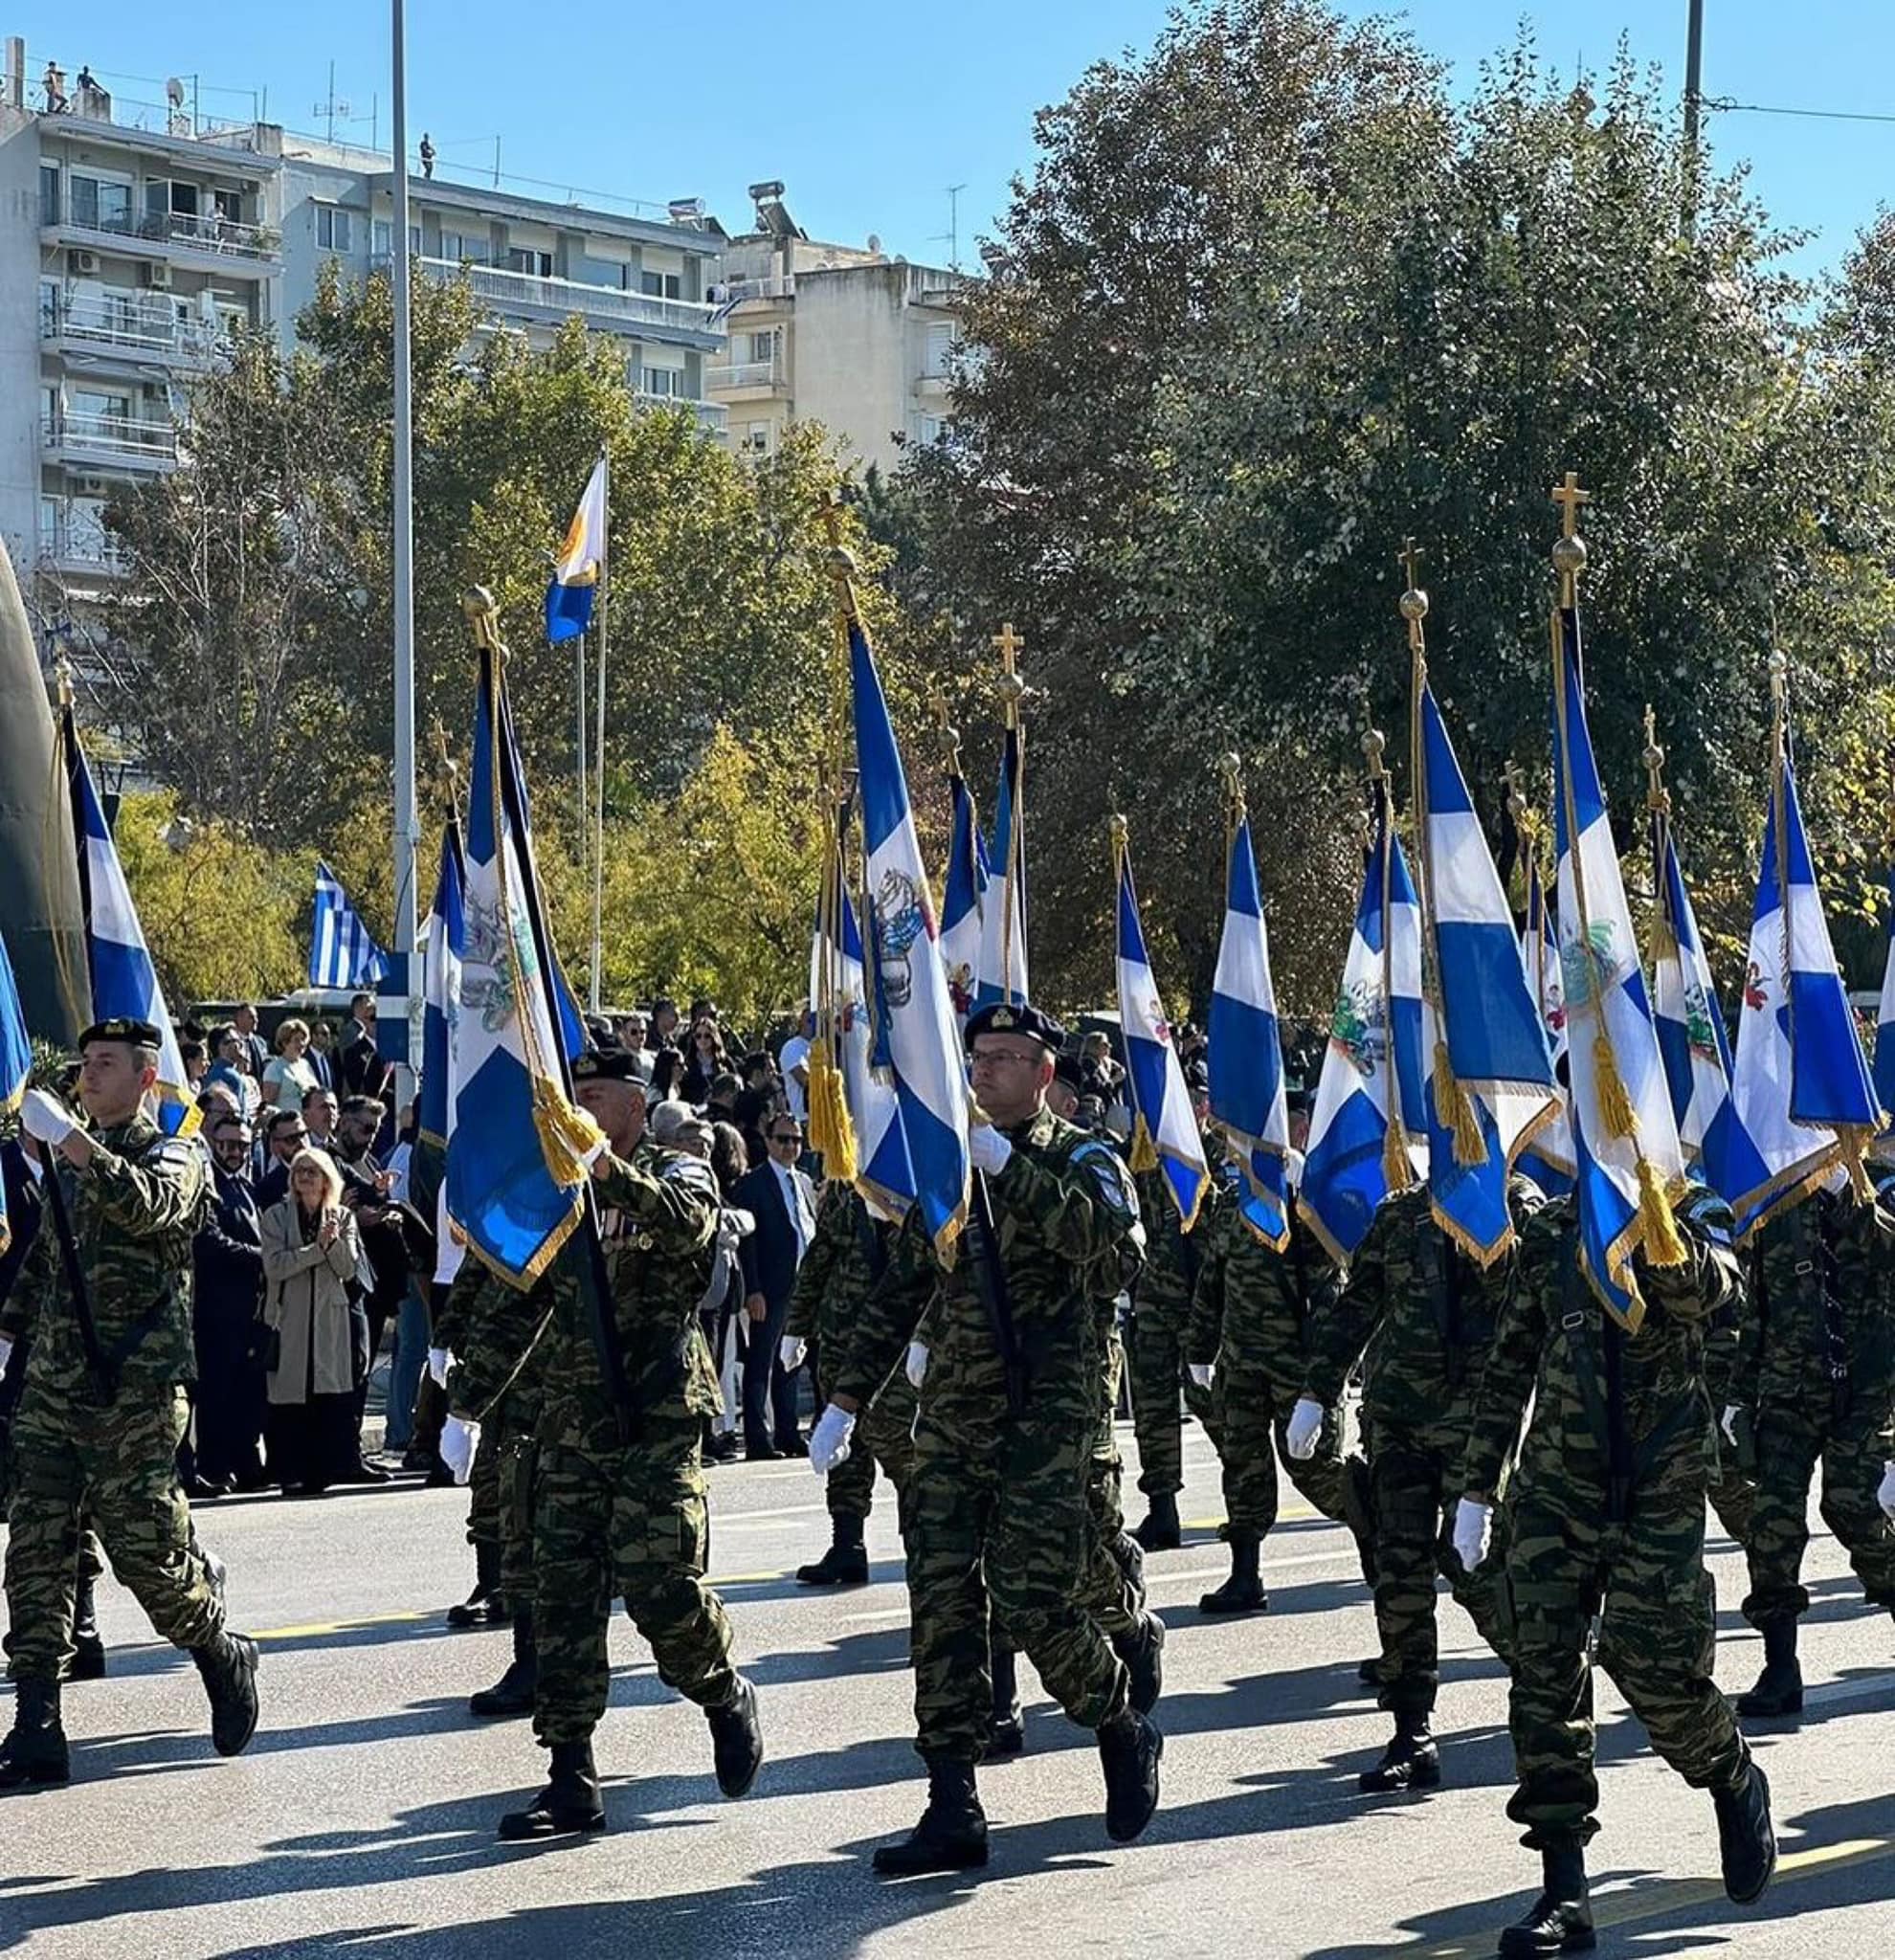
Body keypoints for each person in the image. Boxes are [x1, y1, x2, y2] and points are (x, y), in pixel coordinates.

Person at [813, 1001, 1164, 1872]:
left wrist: (1011, 1171)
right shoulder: (948, 1166)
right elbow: (902, 1287)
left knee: (1032, 1597)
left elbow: (1115, 1252)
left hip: (1049, 1418)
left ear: (1044, 1074)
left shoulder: (1082, 1158)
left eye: (1007, 1057)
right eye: (979, 1057)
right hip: (953, 1420)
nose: (987, 1071)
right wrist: (847, 1399)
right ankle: (952, 1800)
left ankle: (1118, 1719)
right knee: (940, 1607)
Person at [443, 1045, 763, 1839]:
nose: (577, 1107)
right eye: (572, 1093)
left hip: (657, 1418)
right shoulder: (553, 1191)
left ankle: (722, 1690)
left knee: (660, 1588)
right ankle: (570, 1776)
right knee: (561, 1598)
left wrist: (604, 1171)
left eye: (593, 1095)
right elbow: (517, 1302)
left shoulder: (676, 1170)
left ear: (634, 1106)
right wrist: (464, 1405)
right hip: (571, 1417)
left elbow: (688, 1225)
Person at [1456, 1189, 1776, 1950]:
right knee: (1544, 1678)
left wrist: (1655, 1226)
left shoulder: (1695, 1212)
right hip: (1555, 1487)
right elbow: (1509, 1363)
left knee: (1657, 1674)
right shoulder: (1551, 1229)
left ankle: (1729, 1771)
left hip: (1660, 1485)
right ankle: (1565, 1889)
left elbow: (1713, 1297)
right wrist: (1476, 1487)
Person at [0, 1018, 259, 1788]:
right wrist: (7, 1338)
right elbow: (47, 1260)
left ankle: (218, 1648)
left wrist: (71, 1142)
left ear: (147, 1078)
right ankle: (37, 1723)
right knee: (36, 1551)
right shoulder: (68, 1166)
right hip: (54, 1390)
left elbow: (148, 1206)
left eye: (106, 1064)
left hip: (133, 1395)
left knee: (147, 1555)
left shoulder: (177, 1154)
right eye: (85, 1063)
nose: (88, 1076)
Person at [1292, 1173, 1538, 1793]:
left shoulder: (1514, 1204)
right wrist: (1318, 1391)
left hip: (1475, 1429)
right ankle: (1411, 1731)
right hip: (1397, 1423)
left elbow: (1534, 1307)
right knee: (1397, 1574)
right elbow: (1357, 1307)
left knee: (1477, 1569)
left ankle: (1545, 1691)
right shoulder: (1399, 1215)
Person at [1186, 1089, 1375, 1614]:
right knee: (1242, 1467)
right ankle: (1245, 1575)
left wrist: (1325, 1378)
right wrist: (1199, 1349)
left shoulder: (1314, 1202)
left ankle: (1371, 1521)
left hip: (1300, 1364)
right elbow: (1212, 1282)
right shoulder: (1235, 1203)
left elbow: (1336, 1286)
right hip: (1241, 1362)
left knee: (1313, 1468)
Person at [1725, 1181, 1895, 1719]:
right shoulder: (1777, 1203)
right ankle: (1780, 1667)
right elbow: (1758, 1307)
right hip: (1788, 1391)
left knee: (1854, 1508)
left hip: (1866, 1391)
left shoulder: (1878, 1193)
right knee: (1770, 1526)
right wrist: (1738, 1394)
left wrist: (1852, 1197)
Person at [783, 1178, 913, 1584]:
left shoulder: (911, 1179)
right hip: (841, 1336)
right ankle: (847, 1545)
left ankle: (925, 1545)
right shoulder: (845, 1188)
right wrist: (796, 1327)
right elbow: (819, 1257)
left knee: (901, 1448)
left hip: (895, 1342)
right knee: (842, 1449)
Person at [258, 1147, 367, 1496]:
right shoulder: (276, 1216)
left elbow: (347, 1269)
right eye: (299, 1171)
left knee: (327, 1396)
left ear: (326, 1180)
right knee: (289, 1398)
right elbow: (275, 1265)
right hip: (288, 1317)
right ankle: (289, 1472)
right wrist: (316, 1250)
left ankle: (323, 1471)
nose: (305, 1176)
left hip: (328, 1319)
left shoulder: (343, 1218)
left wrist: (331, 1243)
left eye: (312, 1171)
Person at [191, 1111, 267, 1495]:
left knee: (247, 1393)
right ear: (213, 1143)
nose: (235, 1152)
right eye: (227, 1144)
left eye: (242, 1145)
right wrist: (262, 1257)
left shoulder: (247, 1187)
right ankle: (214, 1467)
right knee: (217, 1394)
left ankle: (245, 1464)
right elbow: (209, 1243)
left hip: (251, 1310)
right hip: (216, 1312)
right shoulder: (207, 1187)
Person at [732, 1112, 815, 1459]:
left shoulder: (805, 1182)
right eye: (782, 1139)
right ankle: (757, 1437)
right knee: (761, 1362)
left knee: (791, 1362)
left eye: (796, 1140)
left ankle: (788, 1432)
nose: (790, 1147)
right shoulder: (753, 1185)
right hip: (769, 1288)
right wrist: (753, 1289)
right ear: (767, 1141)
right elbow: (747, 1244)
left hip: (803, 1286)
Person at [255, 1108, 308, 1212]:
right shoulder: (267, 1188)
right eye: (292, 1139)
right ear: (274, 1146)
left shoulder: (326, 1171)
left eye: (303, 1135)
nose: (302, 1143)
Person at [261, 1017, 319, 1112]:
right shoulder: (275, 1068)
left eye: (303, 1039)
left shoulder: (305, 1064)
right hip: (286, 1119)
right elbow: (268, 1106)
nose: (301, 1044)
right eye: (296, 1040)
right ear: (285, 1043)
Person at [776, 1009, 813, 1129]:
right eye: (809, 1020)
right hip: (803, 1120)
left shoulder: (823, 1047)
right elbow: (804, 1080)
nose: (813, 1025)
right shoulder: (792, 1047)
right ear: (800, 1022)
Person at [680, 1017, 728, 1106]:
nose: (702, 1039)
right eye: (698, 1036)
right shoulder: (687, 1063)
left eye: (707, 1036)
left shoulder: (725, 1061)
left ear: (714, 1037)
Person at [231, 1003, 269, 1082]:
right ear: (239, 1019)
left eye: (256, 1017)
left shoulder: (260, 1042)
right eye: (251, 1017)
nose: (256, 1021)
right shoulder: (231, 1043)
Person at [301, 1084, 339, 1153]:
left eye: (333, 1107)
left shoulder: (340, 1147)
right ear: (305, 1114)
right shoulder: (299, 1146)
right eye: (324, 1106)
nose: (331, 1112)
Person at [306, 1020, 339, 1094]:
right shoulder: (304, 1059)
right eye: (325, 1034)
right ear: (314, 1036)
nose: (328, 1037)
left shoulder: (329, 1057)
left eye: (329, 1034)